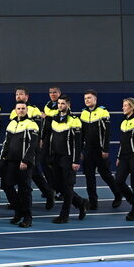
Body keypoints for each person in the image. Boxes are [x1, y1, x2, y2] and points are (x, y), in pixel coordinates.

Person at [10, 86, 53, 207]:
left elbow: (39, 127)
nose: (18, 96)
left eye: (21, 94)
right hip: (18, 148)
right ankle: (21, 200)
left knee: (34, 173)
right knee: (27, 174)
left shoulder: (33, 110)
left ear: (27, 96)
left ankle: (49, 195)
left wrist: (39, 140)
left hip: (31, 147)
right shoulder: (14, 111)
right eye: (17, 94)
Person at [0, 102, 39, 228]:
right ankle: (18, 211)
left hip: (24, 163)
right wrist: (2, 158)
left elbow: (32, 145)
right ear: (15, 110)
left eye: (23, 108)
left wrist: (25, 160)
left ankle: (28, 217)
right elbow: (6, 142)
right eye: (18, 108)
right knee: (6, 185)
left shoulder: (32, 124)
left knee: (24, 190)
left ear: (26, 110)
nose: (21, 110)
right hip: (11, 161)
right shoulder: (11, 123)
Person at [50, 95, 87, 224]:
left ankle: (64, 216)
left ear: (68, 104)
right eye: (59, 103)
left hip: (68, 157)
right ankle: (81, 202)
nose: (60, 106)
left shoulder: (74, 120)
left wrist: (76, 161)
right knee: (58, 186)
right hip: (56, 157)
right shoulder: (54, 119)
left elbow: (78, 143)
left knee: (67, 186)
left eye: (63, 103)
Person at [80, 90, 120, 210]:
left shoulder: (103, 112)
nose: (87, 100)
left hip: (100, 150)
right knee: (89, 177)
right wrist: (81, 150)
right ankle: (93, 202)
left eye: (89, 98)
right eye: (85, 98)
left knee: (106, 175)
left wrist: (105, 149)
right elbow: (81, 134)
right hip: (88, 150)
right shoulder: (83, 114)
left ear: (95, 99)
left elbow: (106, 133)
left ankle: (118, 195)